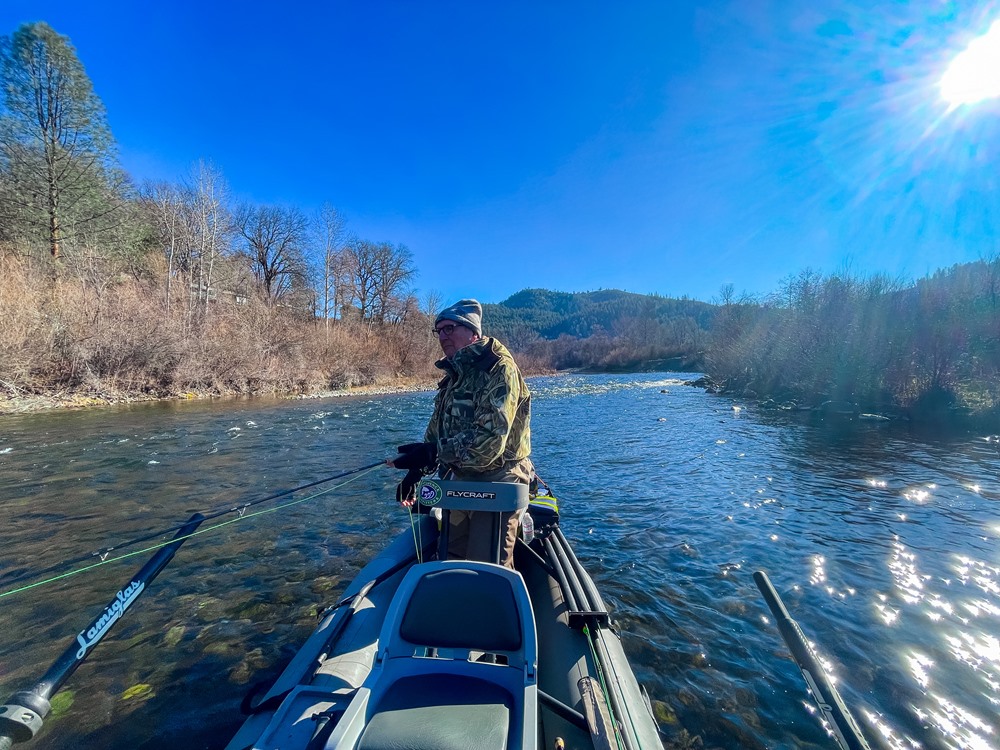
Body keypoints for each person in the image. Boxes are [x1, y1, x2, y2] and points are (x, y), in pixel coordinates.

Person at [390, 298, 532, 568]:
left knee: (485, 566)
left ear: (473, 332)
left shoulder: (499, 369)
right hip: (460, 479)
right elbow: (437, 431)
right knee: (451, 559)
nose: (443, 336)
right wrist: (417, 469)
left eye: (450, 328)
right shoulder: (453, 376)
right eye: (439, 330)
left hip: (499, 479)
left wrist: (434, 452)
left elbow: (489, 444)